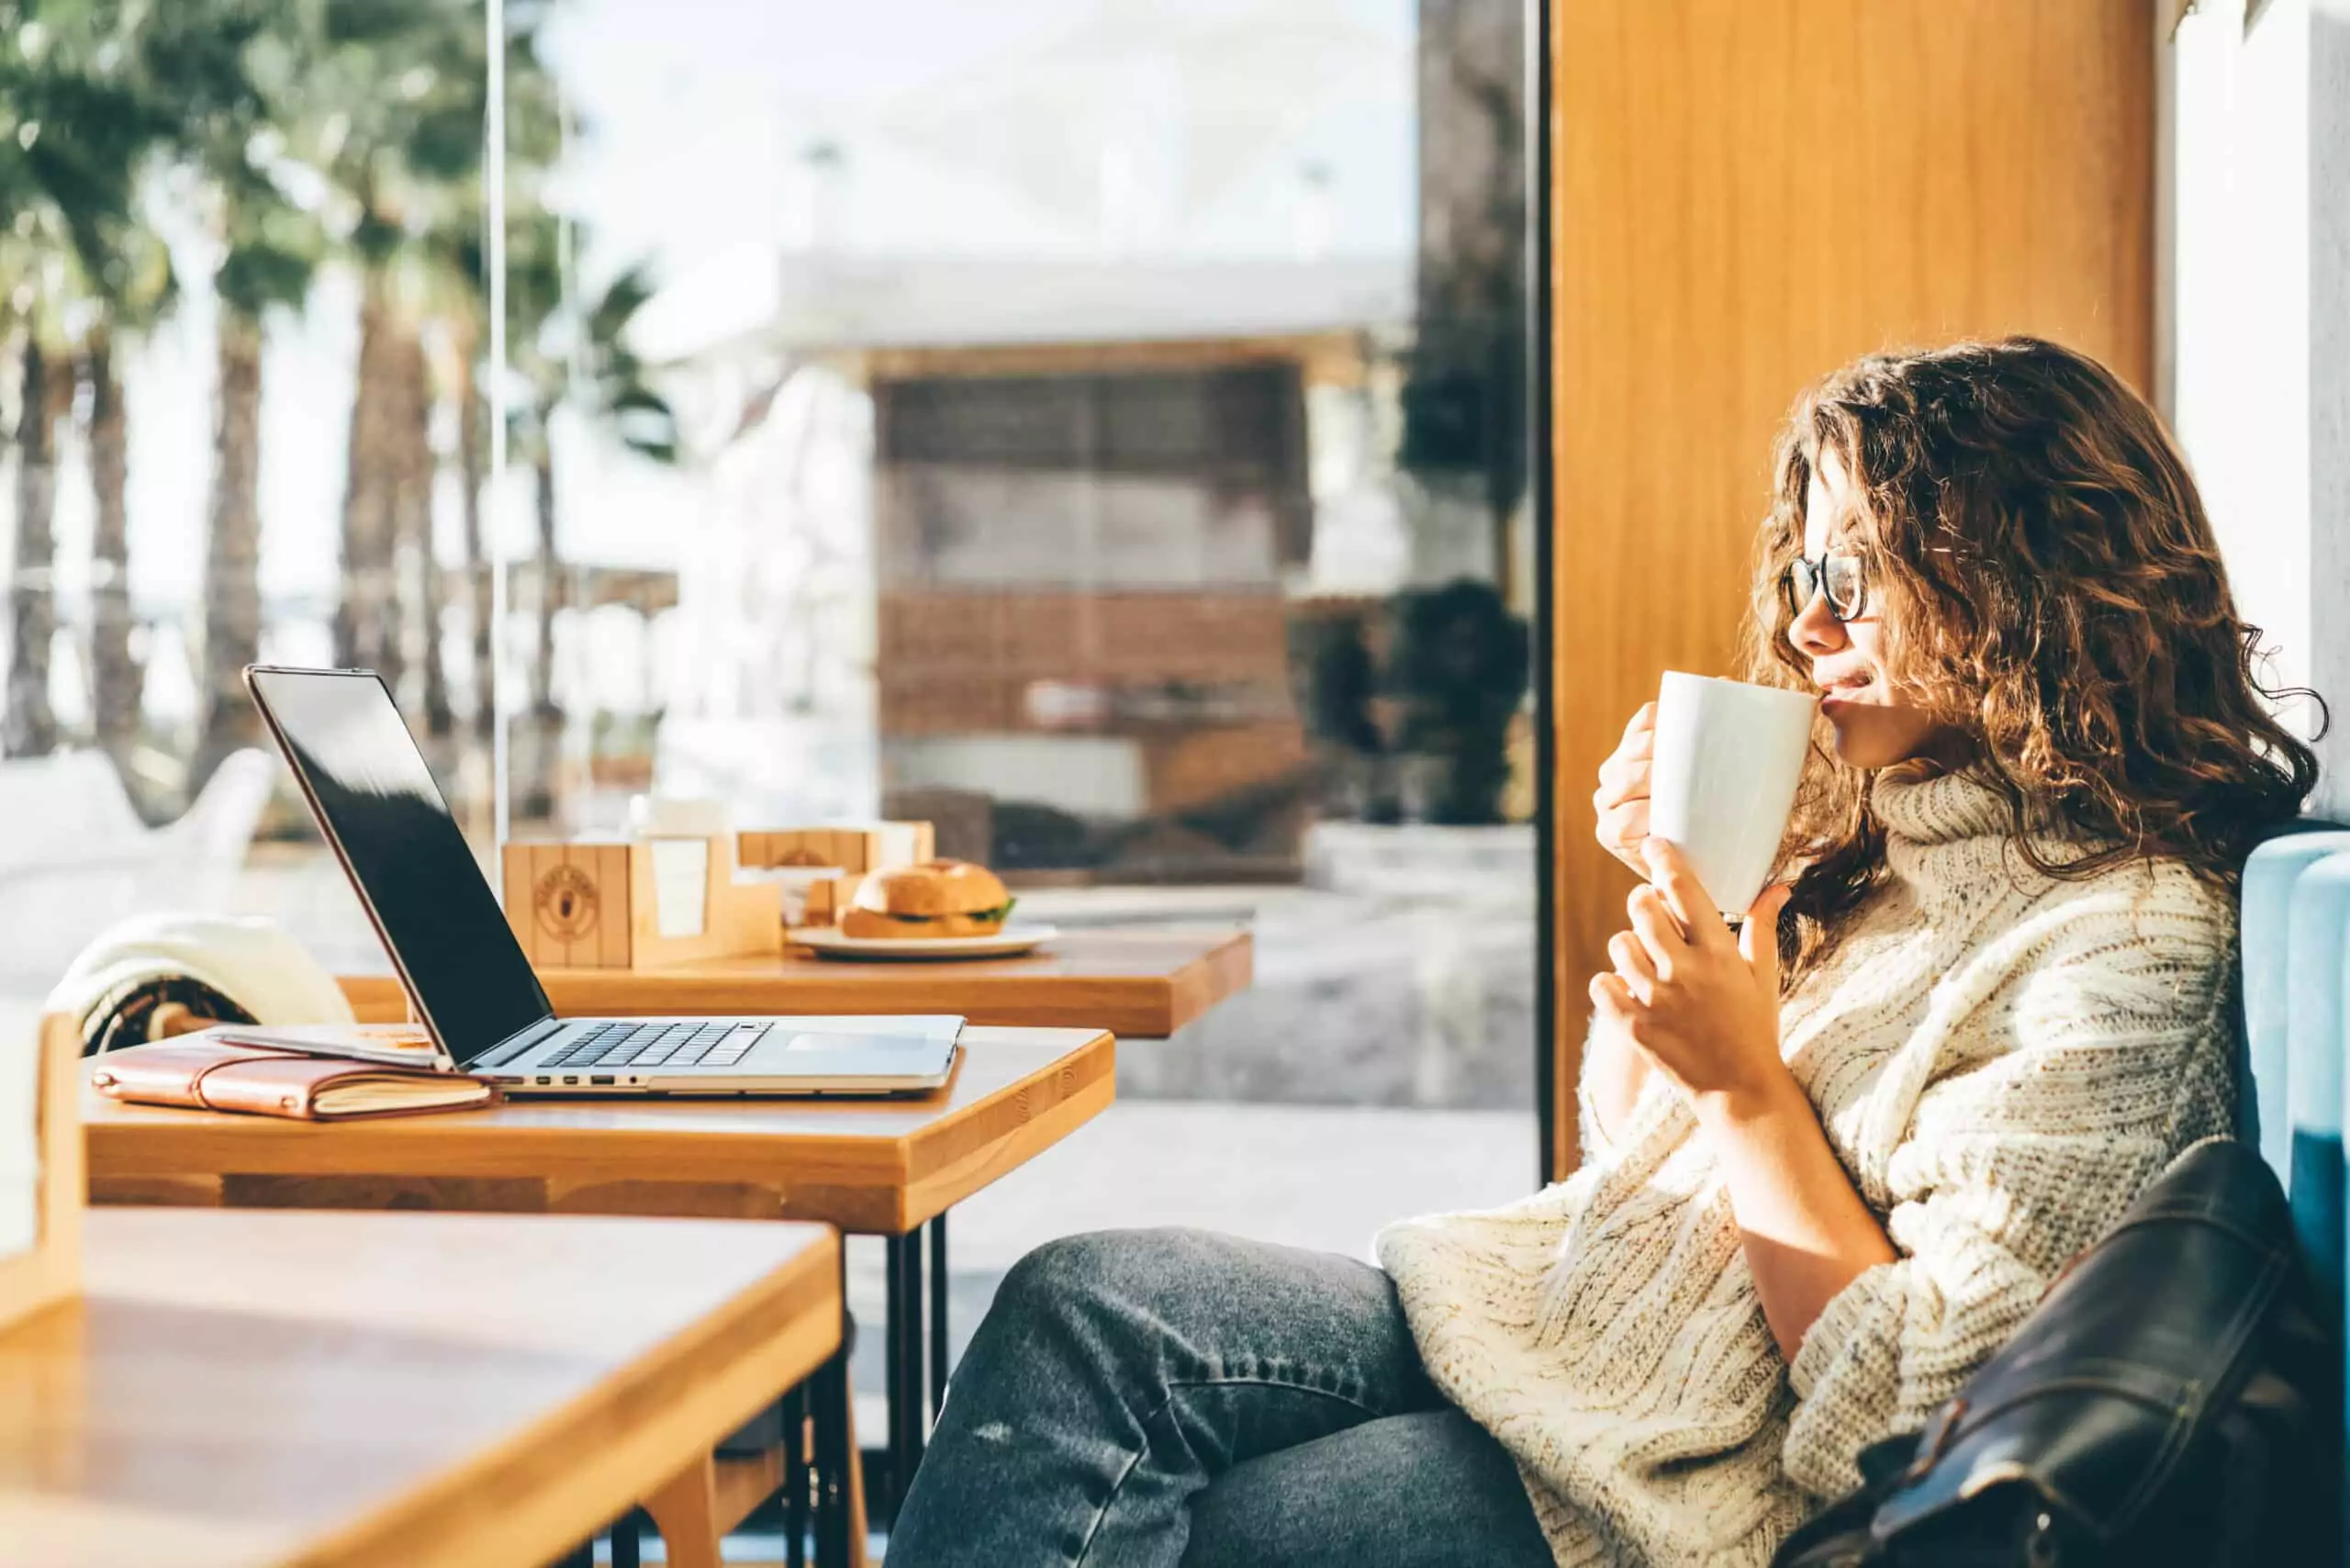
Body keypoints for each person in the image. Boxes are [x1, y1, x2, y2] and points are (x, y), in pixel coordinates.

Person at [886, 337, 2322, 1567]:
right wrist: (1684, 896)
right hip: (1587, 1341)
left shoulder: (2126, 948)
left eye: (1861, 574)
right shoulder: (1896, 847)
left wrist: (1753, 1089)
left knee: (1224, 1528)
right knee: (1080, 1305)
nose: (1809, 623)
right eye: (1806, 567)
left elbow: (1918, 1415)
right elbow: (1622, 1162)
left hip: (1698, 1487)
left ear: (2028, 583)